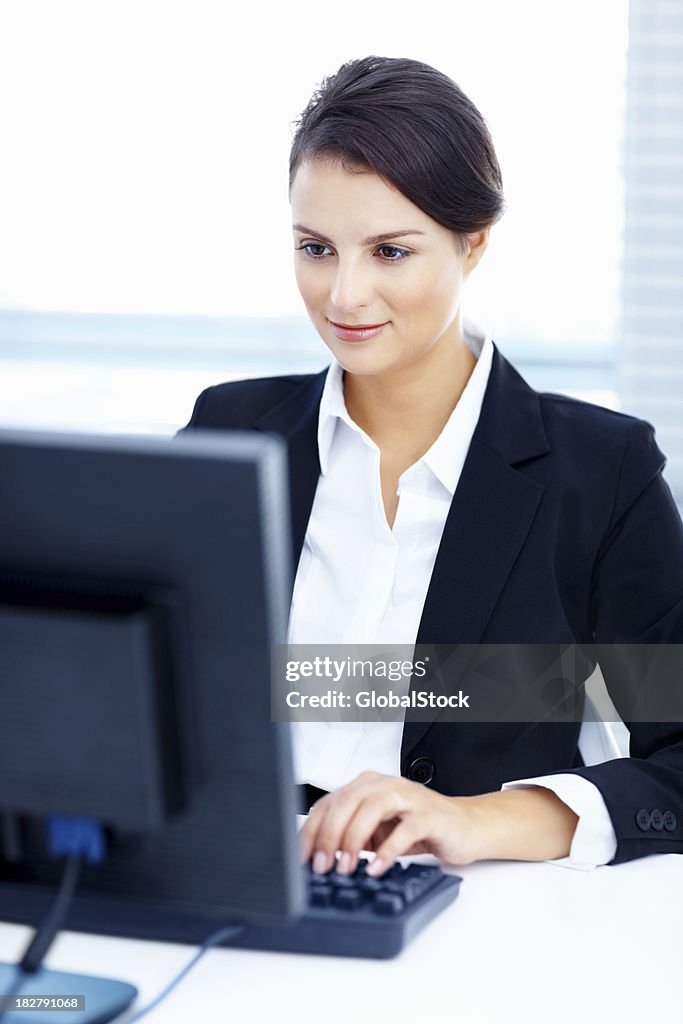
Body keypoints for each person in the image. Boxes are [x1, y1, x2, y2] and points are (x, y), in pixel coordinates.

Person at [184, 56, 683, 874]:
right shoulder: (229, 432)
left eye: (389, 252)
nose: (343, 296)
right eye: (316, 248)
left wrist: (476, 819)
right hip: (235, 883)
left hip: (473, 927)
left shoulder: (601, 476)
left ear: (472, 243)